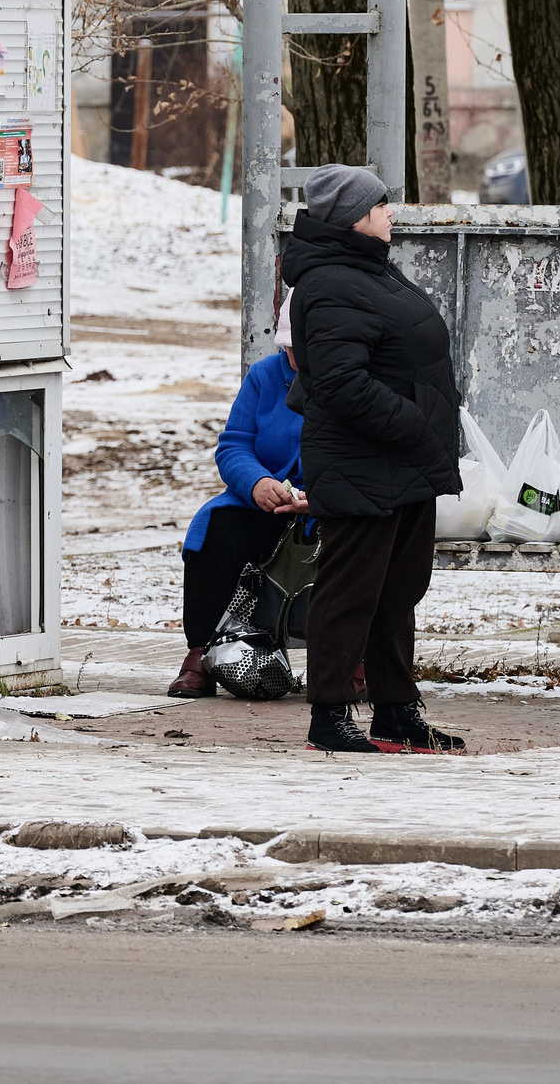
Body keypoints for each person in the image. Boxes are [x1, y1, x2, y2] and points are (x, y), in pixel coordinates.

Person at [282, 162, 466, 755]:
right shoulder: (333, 281)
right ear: (357, 217)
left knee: (397, 591)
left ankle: (395, 711)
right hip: (366, 460)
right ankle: (329, 716)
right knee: (350, 591)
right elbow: (338, 382)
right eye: (382, 206)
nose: (390, 215)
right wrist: (414, 423)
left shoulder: (369, 271)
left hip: (403, 462)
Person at [169, 296, 308, 698]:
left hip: (329, 504)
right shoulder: (264, 376)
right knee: (215, 529)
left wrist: (317, 495)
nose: (296, 356)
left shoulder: (348, 378)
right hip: (263, 502)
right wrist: (257, 483)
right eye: (290, 347)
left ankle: (352, 661)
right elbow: (233, 446)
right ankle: (201, 654)